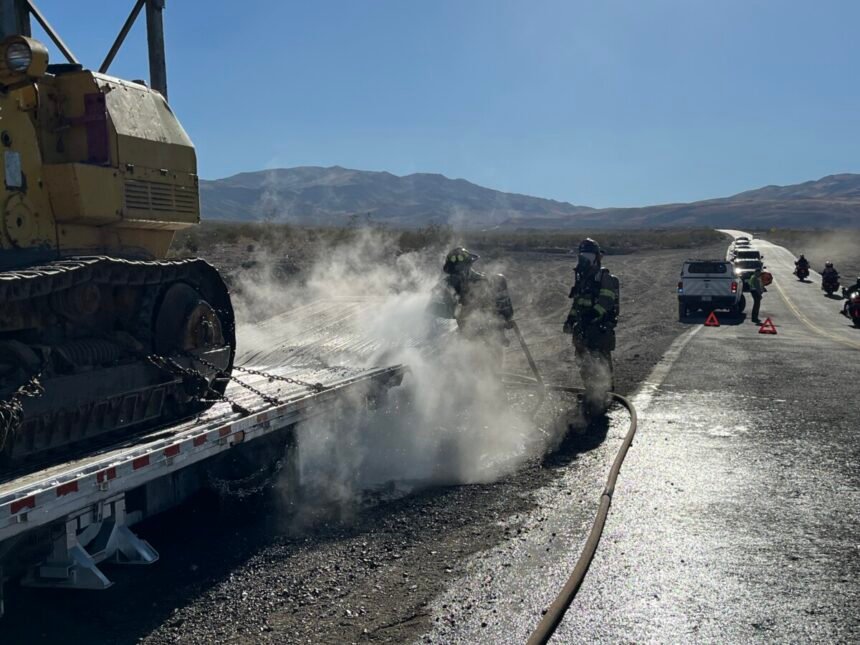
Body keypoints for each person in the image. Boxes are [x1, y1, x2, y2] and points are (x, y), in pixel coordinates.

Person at [563, 238, 620, 415]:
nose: (584, 261)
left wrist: (593, 315)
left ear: (597, 258)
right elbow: (578, 303)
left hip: (599, 328)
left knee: (600, 360)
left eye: (588, 256)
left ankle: (605, 394)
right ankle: (591, 391)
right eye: (582, 256)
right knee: (583, 360)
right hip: (583, 328)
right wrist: (571, 319)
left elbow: (607, 301)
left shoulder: (604, 278)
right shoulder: (583, 280)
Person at [432, 246, 514, 349]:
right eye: (457, 269)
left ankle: (495, 336)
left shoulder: (488, 280)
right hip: (468, 334)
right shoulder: (446, 285)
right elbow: (438, 308)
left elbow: (504, 309)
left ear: (470, 265)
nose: (461, 272)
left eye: (464, 267)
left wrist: (504, 319)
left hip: (490, 330)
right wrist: (455, 309)